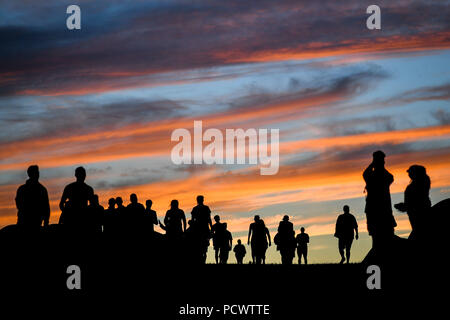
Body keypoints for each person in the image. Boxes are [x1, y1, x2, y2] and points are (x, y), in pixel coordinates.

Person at [363, 151, 396, 248]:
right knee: (376, 235)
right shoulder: (376, 175)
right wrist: (376, 164)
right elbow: (365, 174)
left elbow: (365, 173)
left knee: (385, 235)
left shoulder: (378, 175)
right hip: (376, 210)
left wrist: (374, 164)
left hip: (381, 210)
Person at [394, 165, 431, 240]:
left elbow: (416, 201)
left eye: (410, 173)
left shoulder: (418, 183)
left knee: (419, 232)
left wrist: (404, 206)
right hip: (415, 212)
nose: (409, 175)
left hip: (418, 213)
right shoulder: (421, 182)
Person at [191, 195, 212, 263]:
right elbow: (209, 219)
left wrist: (211, 229)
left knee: (202, 245)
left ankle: (202, 260)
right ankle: (202, 259)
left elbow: (193, 220)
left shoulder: (196, 208)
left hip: (200, 229)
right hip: (202, 228)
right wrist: (211, 228)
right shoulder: (205, 208)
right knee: (203, 246)